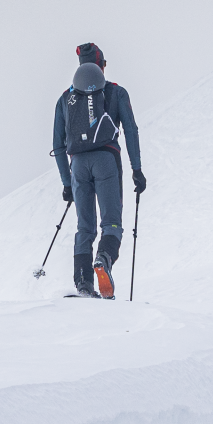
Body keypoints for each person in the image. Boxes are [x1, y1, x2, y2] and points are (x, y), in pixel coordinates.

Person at [53, 43, 144, 298]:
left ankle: (83, 283)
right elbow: (131, 130)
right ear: (102, 66)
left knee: (85, 227)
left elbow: (58, 146)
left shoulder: (65, 100)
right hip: (107, 160)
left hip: (78, 166)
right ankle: (103, 260)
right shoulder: (115, 92)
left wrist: (67, 183)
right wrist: (137, 170)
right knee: (112, 223)